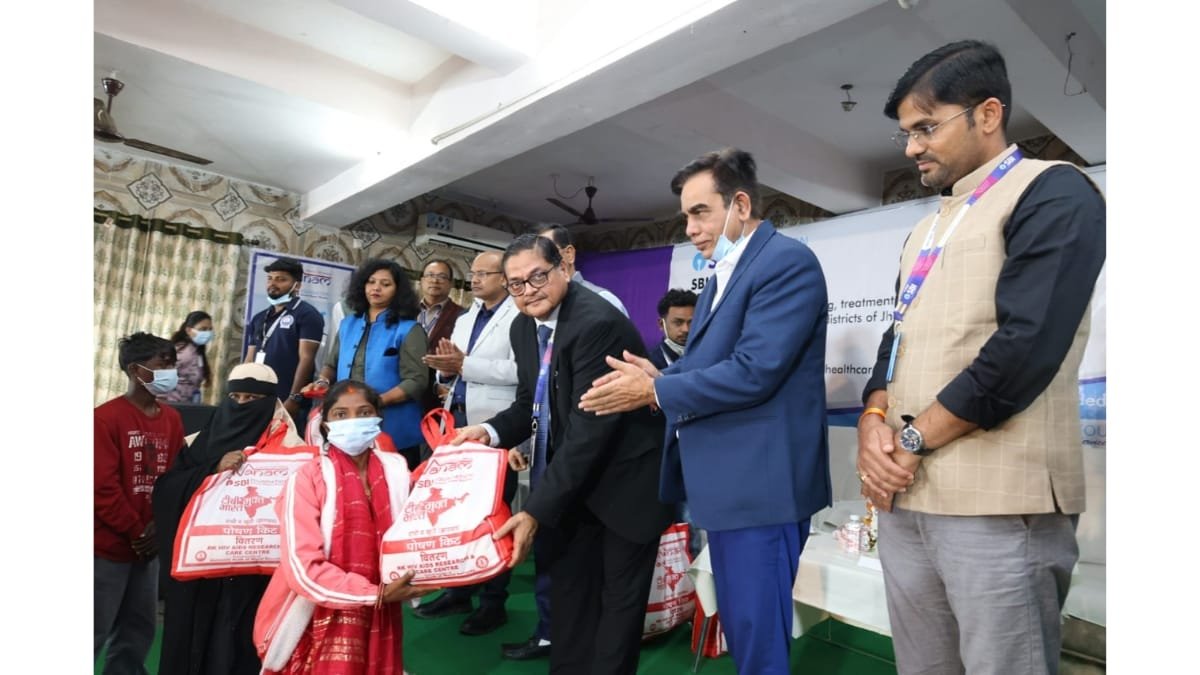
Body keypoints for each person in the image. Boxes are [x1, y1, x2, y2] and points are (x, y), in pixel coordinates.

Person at [854, 40, 1106, 675]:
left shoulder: (1052, 191)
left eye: (925, 128)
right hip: (907, 501)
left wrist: (908, 441)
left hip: (998, 505)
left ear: (988, 114)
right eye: (906, 134)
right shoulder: (926, 228)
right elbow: (895, 337)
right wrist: (871, 421)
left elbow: (1024, 349)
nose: (912, 147)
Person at [580, 147, 832, 675]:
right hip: (730, 484)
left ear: (740, 204)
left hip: (761, 488)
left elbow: (756, 371)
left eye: (700, 212)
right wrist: (662, 377)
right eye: (685, 216)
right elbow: (710, 365)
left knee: (759, 637)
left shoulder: (785, 261)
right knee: (743, 626)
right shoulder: (724, 275)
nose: (690, 228)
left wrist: (654, 394)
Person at [454, 234, 674, 673]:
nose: (527, 289)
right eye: (515, 283)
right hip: (573, 488)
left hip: (625, 488)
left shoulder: (596, 323)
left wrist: (534, 510)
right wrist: (488, 430)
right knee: (570, 599)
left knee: (616, 610)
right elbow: (529, 403)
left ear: (565, 270)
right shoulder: (523, 326)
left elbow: (589, 429)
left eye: (537, 276)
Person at [253, 380, 437, 674]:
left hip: (381, 609)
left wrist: (480, 456)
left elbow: (431, 503)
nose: (353, 422)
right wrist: (375, 594)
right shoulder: (308, 478)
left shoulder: (395, 471)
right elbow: (302, 567)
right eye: (340, 415)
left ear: (378, 419)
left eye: (364, 412)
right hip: (315, 614)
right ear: (325, 425)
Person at [152, 363, 294, 675]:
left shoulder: (289, 448)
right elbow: (165, 491)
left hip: (255, 575)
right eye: (237, 396)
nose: (242, 404)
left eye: (252, 398)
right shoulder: (197, 442)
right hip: (200, 575)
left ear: (270, 402)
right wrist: (211, 469)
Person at [414, 251, 522, 636]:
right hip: (456, 423)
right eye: (472, 273)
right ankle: (459, 590)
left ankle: (494, 602)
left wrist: (465, 365)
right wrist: (444, 369)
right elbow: (455, 365)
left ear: (505, 277)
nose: (474, 280)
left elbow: (523, 372)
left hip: (496, 427)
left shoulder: (521, 317)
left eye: (483, 273)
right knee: (458, 513)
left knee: (494, 515)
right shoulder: (464, 317)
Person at [95, 332, 186, 674]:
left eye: (172, 364)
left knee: (138, 631)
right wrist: (136, 530)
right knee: (93, 628)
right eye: (163, 364)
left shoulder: (172, 420)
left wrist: (159, 527)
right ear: (136, 370)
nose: (171, 371)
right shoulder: (105, 419)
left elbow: (175, 478)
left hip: (148, 548)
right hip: (107, 547)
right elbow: (101, 488)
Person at [304, 259, 428, 470]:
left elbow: (417, 381)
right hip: (347, 427)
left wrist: (375, 403)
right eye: (371, 282)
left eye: (385, 284)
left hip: (394, 428)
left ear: (398, 291)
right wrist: (323, 381)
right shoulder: (348, 323)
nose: (376, 288)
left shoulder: (409, 329)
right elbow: (331, 364)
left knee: (393, 490)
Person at [245, 257, 325, 429]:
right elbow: (250, 358)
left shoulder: (307, 314)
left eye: (281, 279)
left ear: (297, 285)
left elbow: (306, 359)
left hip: (287, 400)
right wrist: (243, 390)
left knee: (285, 451)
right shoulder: (259, 317)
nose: (273, 283)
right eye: (270, 278)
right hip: (257, 398)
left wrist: (294, 398)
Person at [537, 224, 629, 316]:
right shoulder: (534, 304)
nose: (540, 262)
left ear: (569, 254)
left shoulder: (603, 300)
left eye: (547, 252)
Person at [417, 259, 466, 413]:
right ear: (422, 280)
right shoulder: (405, 312)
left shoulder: (463, 315)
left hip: (438, 394)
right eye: (430, 275)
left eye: (442, 277)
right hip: (405, 389)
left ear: (451, 283)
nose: (435, 280)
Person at [165, 310, 214, 404]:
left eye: (210, 329)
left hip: (186, 404)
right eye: (203, 329)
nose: (208, 333)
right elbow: (160, 376)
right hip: (171, 404)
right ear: (188, 330)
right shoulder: (183, 351)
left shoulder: (197, 351)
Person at [647, 289, 697, 371]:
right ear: (661, 324)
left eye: (691, 322)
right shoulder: (649, 364)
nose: (686, 330)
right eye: (678, 322)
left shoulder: (708, 358)